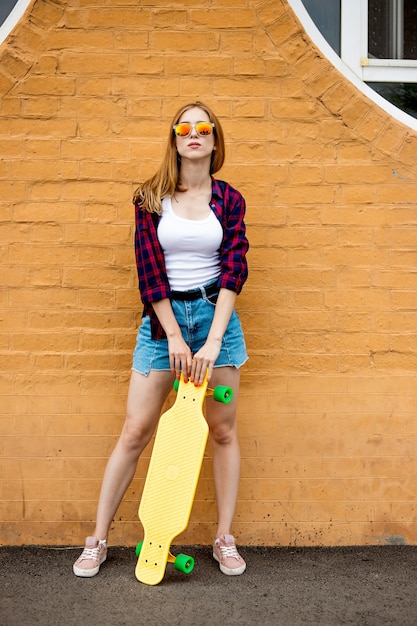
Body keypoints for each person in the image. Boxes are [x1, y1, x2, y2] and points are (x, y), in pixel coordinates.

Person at [73, 101, 249, 578]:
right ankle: (97, 540)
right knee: (135, 431)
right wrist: (173, 335)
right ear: (174, 139)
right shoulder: (150, 198)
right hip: (160, 328)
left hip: (218, 326)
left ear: (214, 140)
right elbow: (149, 275)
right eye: (184, 128)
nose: (194, 134)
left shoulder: (230, 200)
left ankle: (224, 539)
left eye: (203, 128)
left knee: (224, 429)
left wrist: (212, 342)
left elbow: (234, 270)